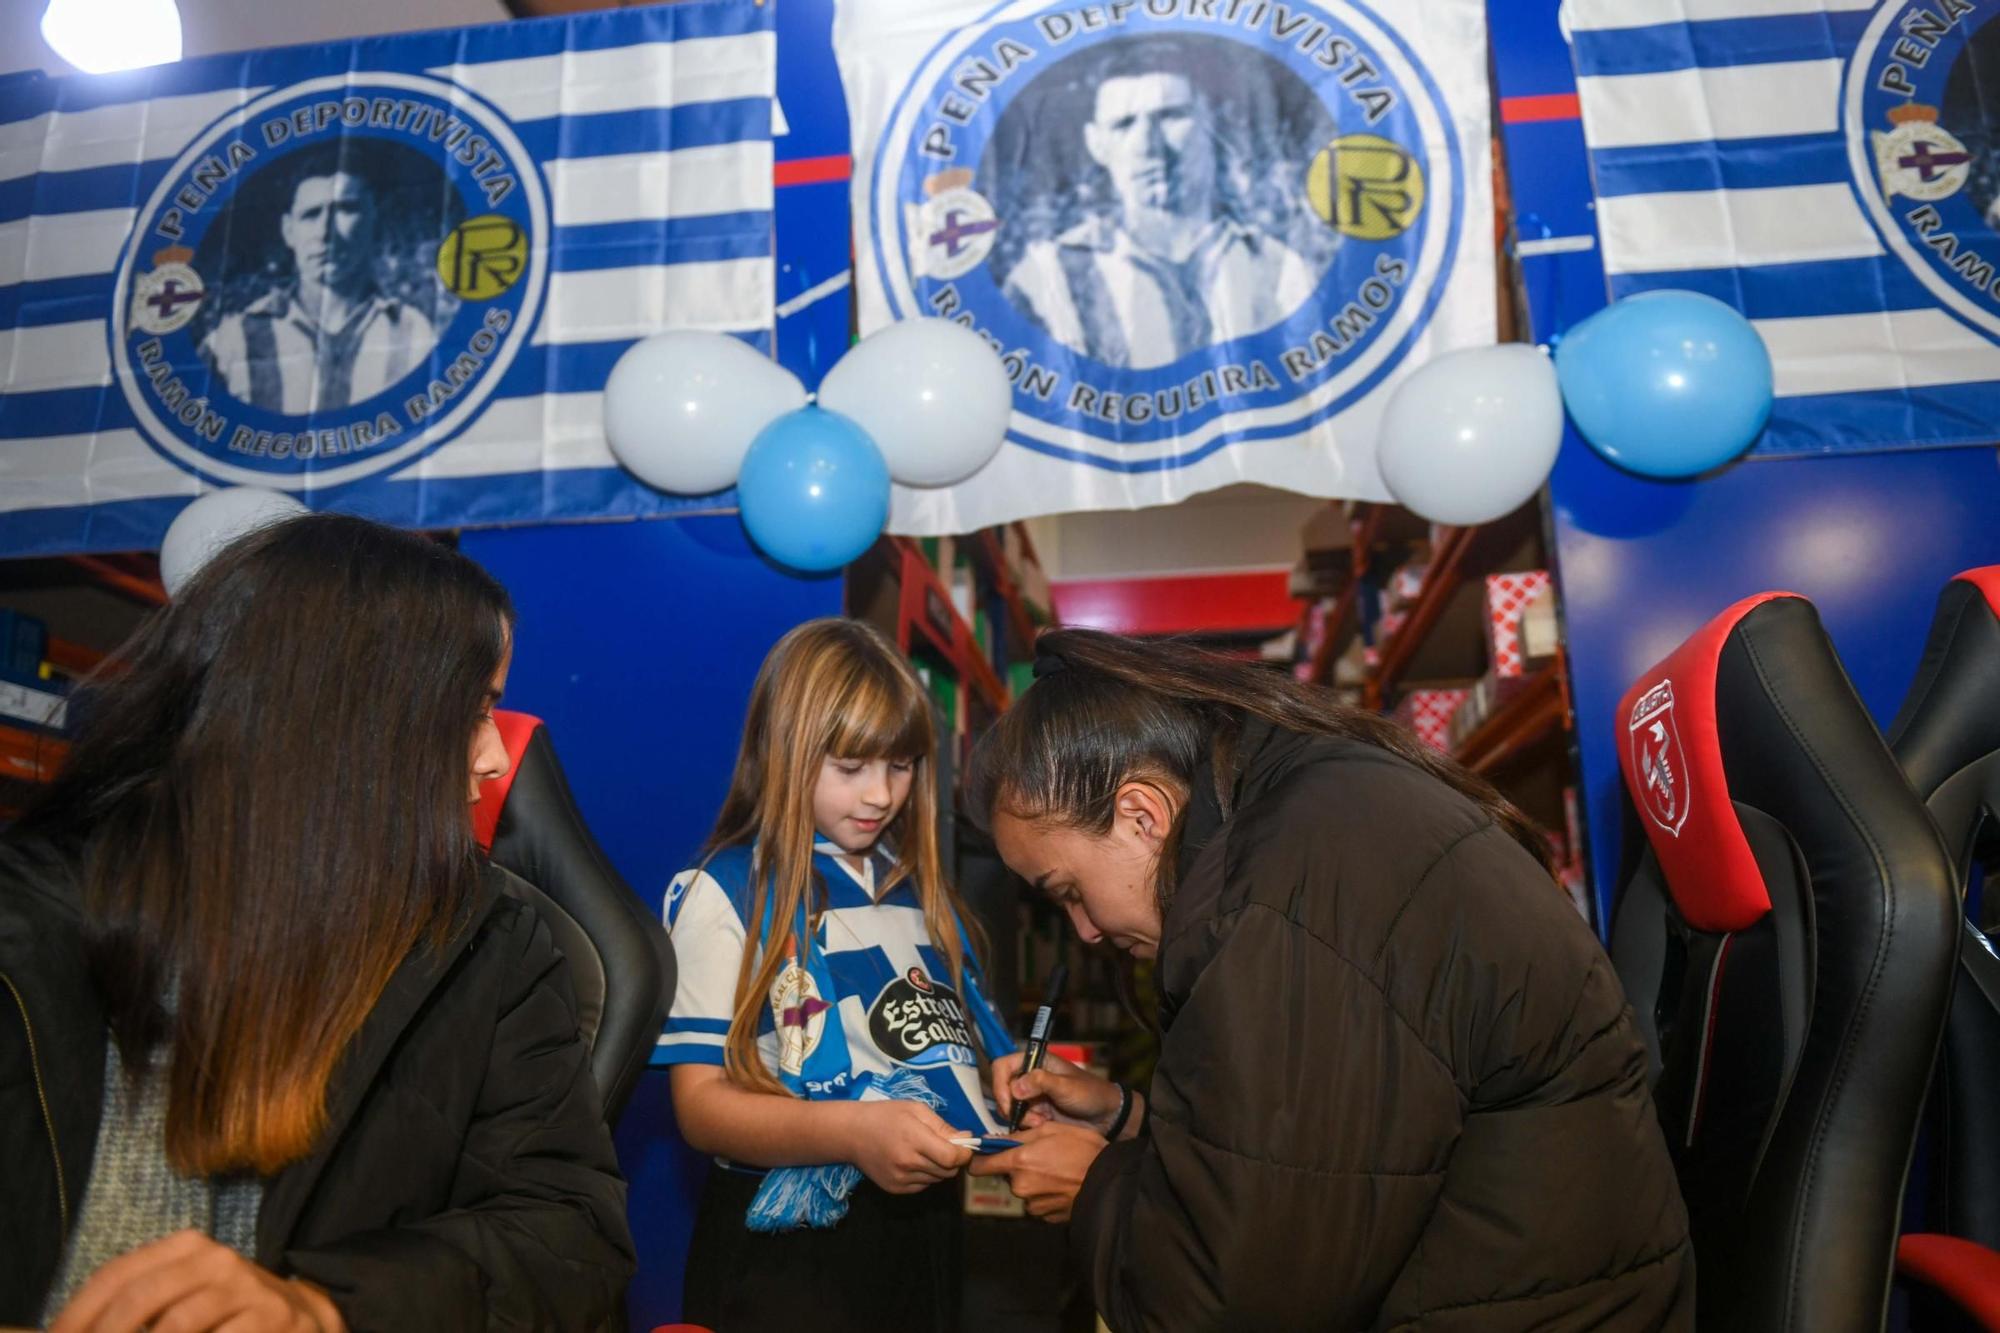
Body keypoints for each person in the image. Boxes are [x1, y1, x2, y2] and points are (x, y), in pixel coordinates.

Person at [0, 514, 634, 1332]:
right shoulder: (29, 925)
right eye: (476, 708)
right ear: (352, 714)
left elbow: (571, 1236)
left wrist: (326, 1306)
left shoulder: (491, 945)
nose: (495, 756)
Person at [964, 629, 1694, 1331]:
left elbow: (1229, 1304)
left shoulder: (1287, 887)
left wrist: (1094, 1187)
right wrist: (1129, 1120)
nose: (1085, 930)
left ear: (1140, 816)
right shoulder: (1317, 817)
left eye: (1068, 890)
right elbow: (1337, 1156)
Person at [660, 618, 1014, 1332]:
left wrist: (1002, 1076)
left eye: (902, 765)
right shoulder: (723, 890)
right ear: (784, 750)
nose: (881, 794)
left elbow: (952, 1052)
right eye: (851, 767)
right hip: (785, 1251)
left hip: (925, 1235)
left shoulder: (924, 893)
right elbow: (699, 1108)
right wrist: (852, 1131)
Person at [1001, 42, 1317, 370]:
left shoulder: (1275, 266)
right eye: (1124, 124)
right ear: (1097, 144)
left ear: (1212, 125)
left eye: (1170, 116)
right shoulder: (1045, 278)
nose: (1147, 145)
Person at [200, 148, 439, 414]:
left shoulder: (413, 333)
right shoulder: (233, 340)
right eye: (311, 214)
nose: (326, 232)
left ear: (375, 219)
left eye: (345, 210)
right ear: (288, 231)